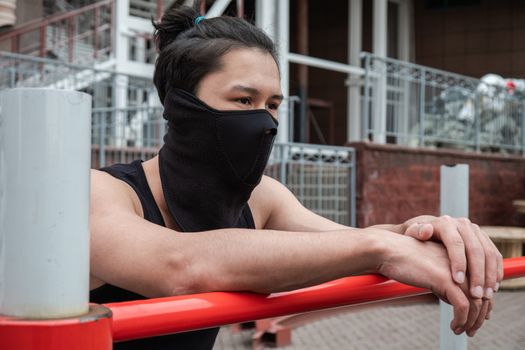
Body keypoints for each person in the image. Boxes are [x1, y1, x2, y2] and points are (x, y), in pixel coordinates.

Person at [89, 3, 503, 349]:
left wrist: (425, 233)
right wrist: (381, 245)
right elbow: (179, 267)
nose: (264, 121)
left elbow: (342, 243)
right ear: (180, 104)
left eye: (272, 104)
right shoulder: (100, 193)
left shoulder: (262, 198)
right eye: (243, 99)